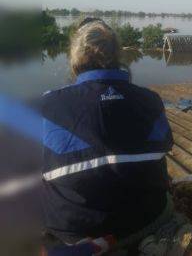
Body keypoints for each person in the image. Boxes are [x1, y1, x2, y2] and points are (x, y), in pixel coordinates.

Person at [40, 18, 174, 252]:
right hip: (147, 221)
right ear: (118, 55)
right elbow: (163, 148)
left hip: (74, 232)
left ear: (75, 57)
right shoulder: (150, 100)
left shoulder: (48, 104)